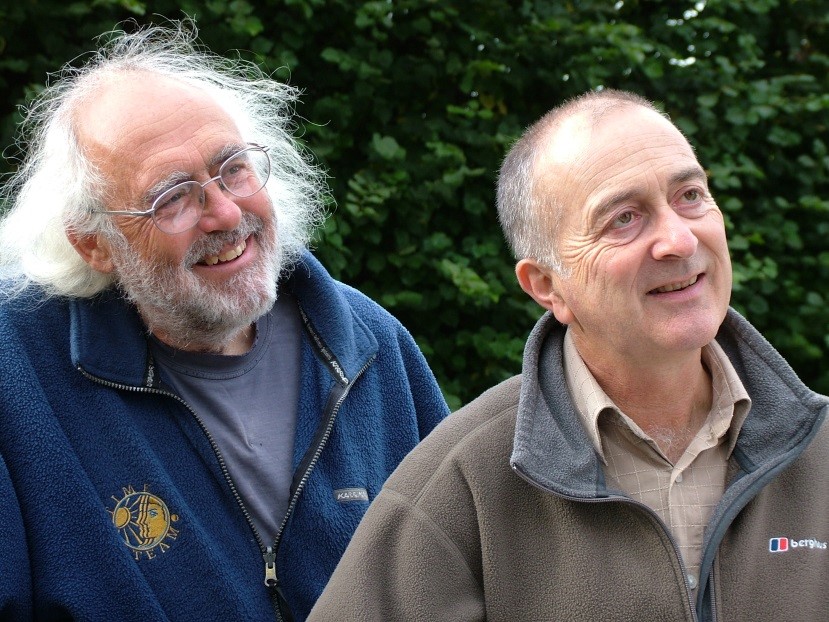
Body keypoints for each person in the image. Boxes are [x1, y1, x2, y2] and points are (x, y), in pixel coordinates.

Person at [308, 89, 829, 621]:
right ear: (546, 286)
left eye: (690, 195)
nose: (677, 238)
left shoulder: (820, 450)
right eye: (623, 218)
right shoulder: (460, 483)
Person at [0, 21, 449, 622]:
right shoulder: (16, 371)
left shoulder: (368, 341)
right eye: (173, 198)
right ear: (94, 245)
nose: (226, 213)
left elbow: (456, 573)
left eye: (232, 168)